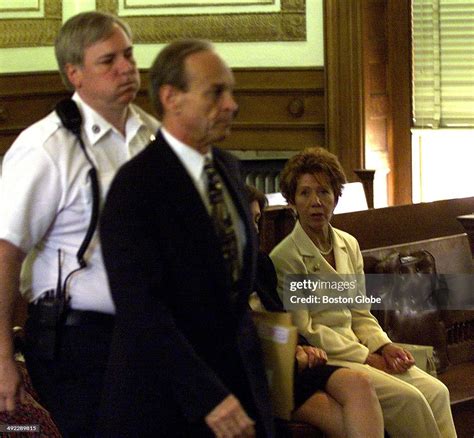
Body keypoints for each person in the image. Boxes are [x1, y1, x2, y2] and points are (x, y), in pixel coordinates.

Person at [98, 39, 274, 437]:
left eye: (231, 91)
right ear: (171, 98)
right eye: (216, 92)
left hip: (237, 391)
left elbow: (233, 294)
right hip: (166, 404)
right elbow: (141, 309)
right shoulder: (136, 186)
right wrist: (206, 394)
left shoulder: (228, 168)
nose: (231, 104)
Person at [0, 11, 159, 437]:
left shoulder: (153, 137)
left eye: (128, 54)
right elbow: (4, 256)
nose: (126, 67)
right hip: (78, 343)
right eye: (108, 61)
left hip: (150, 334)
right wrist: (0, 359)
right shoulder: (45, 148)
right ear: (75, 73)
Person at [269, 147, 457, 438]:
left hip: (364, 348)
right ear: (292, 201)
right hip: (333, 360)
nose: (315, 202)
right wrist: (367, 357)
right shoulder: (286, 256)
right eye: (305, 193)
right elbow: (307, 329)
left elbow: (360, 312)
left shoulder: (348, 244)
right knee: (411, 400)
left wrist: (384, 346)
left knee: (437, 391)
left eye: (323, 192)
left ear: (335, 197)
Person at [246, 185, 384, 438]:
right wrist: (289, 355)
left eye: (257, 220)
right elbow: (240, 337)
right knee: (353, 424)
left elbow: (280, 320)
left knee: (359, 384)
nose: (255, 229)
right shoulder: (213, 277)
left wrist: (301, 346)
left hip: (293, 362)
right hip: (261, 374)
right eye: (248, 220)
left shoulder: (259, 263)